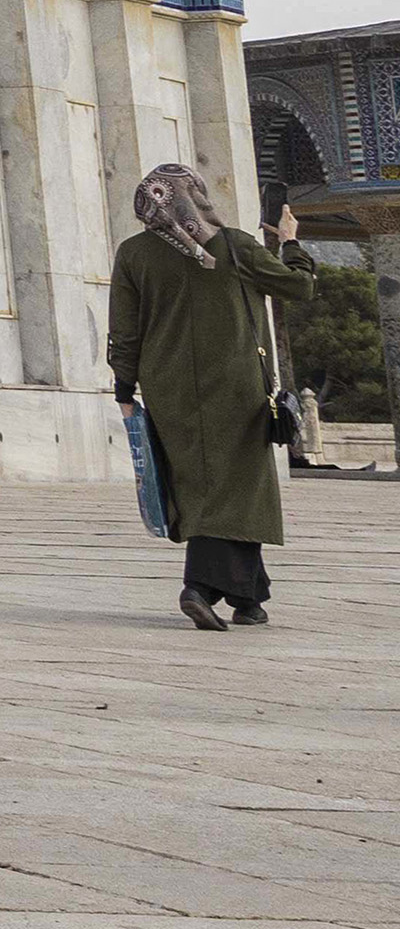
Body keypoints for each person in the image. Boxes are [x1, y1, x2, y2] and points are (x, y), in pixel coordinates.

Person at [114, 165, 314, 630]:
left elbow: (124, 330)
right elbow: (299, 285)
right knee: (233, 488)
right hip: (237, 386)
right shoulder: (233, 245)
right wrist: (289, 242)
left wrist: (125, 388)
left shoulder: (133, 253)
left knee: (209, 485)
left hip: (168, 389)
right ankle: (199, 587)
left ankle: (249, 598)